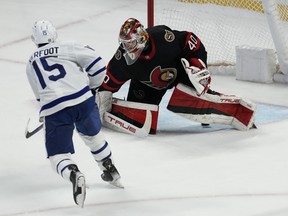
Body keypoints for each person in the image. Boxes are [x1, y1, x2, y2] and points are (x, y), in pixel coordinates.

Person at [96, 18, 256, 133]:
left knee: (198, 94)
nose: (127, 48)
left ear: (142, 39)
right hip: (147, 86)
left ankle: (235, 112)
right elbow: (108, 82)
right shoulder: (122, 59)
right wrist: (103, 96)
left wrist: (197, 64)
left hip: (179, 72)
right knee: (139, 119)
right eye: (124, 44)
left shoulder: (163, 38)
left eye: (130, 43)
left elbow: (192, 42)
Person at [26, 20, 123, 208]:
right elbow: (98, 66)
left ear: (34, 40)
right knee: (93, 137)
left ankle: (73, 173)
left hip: (54, 108)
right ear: (54, 34)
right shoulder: (67, 45)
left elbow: (39, 96)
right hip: (82, 100)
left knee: (57, 155)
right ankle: (110, 169)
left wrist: (45, 113)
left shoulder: (31, 62)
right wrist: (93, 88)